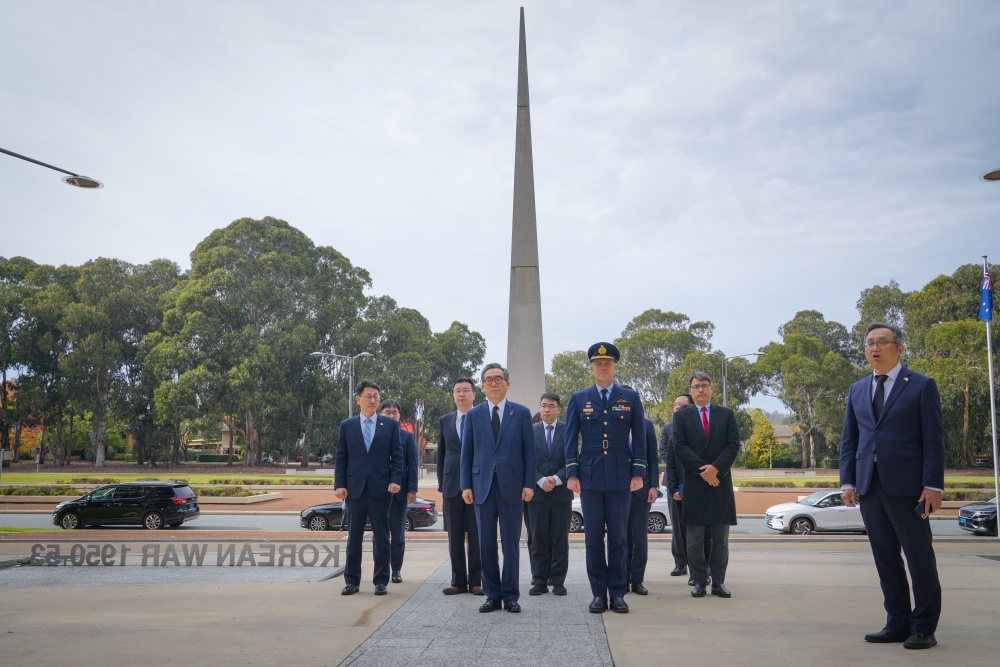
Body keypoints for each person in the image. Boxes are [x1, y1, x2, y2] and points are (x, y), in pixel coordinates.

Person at [841, 322, 944, 650]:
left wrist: (933, 485)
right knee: (885, 558)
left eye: (882, 342)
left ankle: (924, 627)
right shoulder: (858, 389)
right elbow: (850, 440)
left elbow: (934, 439)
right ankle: (897, 623)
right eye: (870, 342)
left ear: (899, 348)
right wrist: (848, 481)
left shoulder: (921, 386)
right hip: (869, 487)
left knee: (919, 557)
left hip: (910, 488)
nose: (875, 348)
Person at [565, 342, 647, 614]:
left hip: (621, 477)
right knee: (592, 539)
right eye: (598, 364)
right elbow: (570, 440)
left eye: (608, 363)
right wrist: (571, 472)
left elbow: (641, 438)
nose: (603, 368)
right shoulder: (579, 399)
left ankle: (618, 593)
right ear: (591, 368)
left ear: (615, 367)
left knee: (620, 539)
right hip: (589, 477)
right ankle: (598, 593)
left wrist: (638, 472)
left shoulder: (630, 397)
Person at [460, 363, 535, 613]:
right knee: (485, 544)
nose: (493, 383)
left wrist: (528, 484)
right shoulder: (473, 415)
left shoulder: (521, 413)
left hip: (512, 488)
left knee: (511, 544)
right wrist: (465, 485)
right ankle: (492, 594)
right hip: (481, 487)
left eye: (498, 379)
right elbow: (466, 454)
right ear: (482, 386)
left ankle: (511, 594)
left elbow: (529, 453)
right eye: (488, 379)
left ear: (507, 384)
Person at [671, 371, 739, 599]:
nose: (701, 389)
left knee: (721, 540)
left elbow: (732, 445)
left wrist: (716, 469)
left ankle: (719, 583)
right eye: (696, 386)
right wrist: (704, 471)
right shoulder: (681, 417)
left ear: (712, 389)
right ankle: (699, 582)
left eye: (705, 385)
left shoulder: (727, 415)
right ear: (691, 391)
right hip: (695, 484)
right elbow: (680, 447)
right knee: (694, 540)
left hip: (720, 484)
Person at [334, 380, 403, 596]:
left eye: (376, 396)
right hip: (354, 490)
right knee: (353, 538)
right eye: (368, 396)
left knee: (382, 537)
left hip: (381, 489)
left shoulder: (390, 425)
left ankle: (381, 581)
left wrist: (395, 480)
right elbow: (341, 457)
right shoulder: (347, 425)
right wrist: (339, 484)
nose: (373, 400)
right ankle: (352, 581)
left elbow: (397, 457)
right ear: (358, 399)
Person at [436, 378, 483, 596]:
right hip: (452, 485)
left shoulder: (483, 416)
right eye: (457, 391)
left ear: (474, 394)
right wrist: (442, 485)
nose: (461, 394)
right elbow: (442, 455)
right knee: (454, 536)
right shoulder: (445, 420)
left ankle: (476, 581)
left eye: (466, 390)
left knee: (476, 535)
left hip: (478, 484)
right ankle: (458, 581)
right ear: (453, 395)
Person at [659, 392, 711, 586]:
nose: (677, 408)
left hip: (696, 481)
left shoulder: (700, 427)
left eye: (681, 405)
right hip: (674, 481)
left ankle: (700, 567)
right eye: (675, 405)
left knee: (699, 528)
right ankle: (680, 562)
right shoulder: (668, 428)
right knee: (678, 528)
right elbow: (664, 452)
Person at [527, 392, 572, 596]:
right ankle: (539, 580)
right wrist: (540, 479)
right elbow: (526, 460)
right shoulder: (531, 430)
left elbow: (573, 458)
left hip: (561, 493)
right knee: (538, 539)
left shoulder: (568, 429)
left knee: (560, 539)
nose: (546, 409)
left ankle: (559, 581)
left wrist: (557, 478)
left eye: (551, 406)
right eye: (543, 405)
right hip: (537, 494)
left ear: (558, 409)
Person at [378, 399, 418, 584]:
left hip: (400, 492)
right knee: (379, 533)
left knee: (398, 533)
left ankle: (396, 570)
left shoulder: (407, 437)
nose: (391, 415)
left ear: (399, 415)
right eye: (387, 412)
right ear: (381, 414)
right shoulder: (374, 434)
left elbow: (412, 465)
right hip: (377, 491)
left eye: (394, 412)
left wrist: (412, 490)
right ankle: (381, 569)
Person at [626, 410, 659, 595]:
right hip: (619, 490)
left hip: (643, 490)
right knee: (621, 537)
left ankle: (637, 580)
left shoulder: (646, 425)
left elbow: (653, 457)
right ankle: (622, 579)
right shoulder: (613, 424)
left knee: (639, 538)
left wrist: (653, 485)